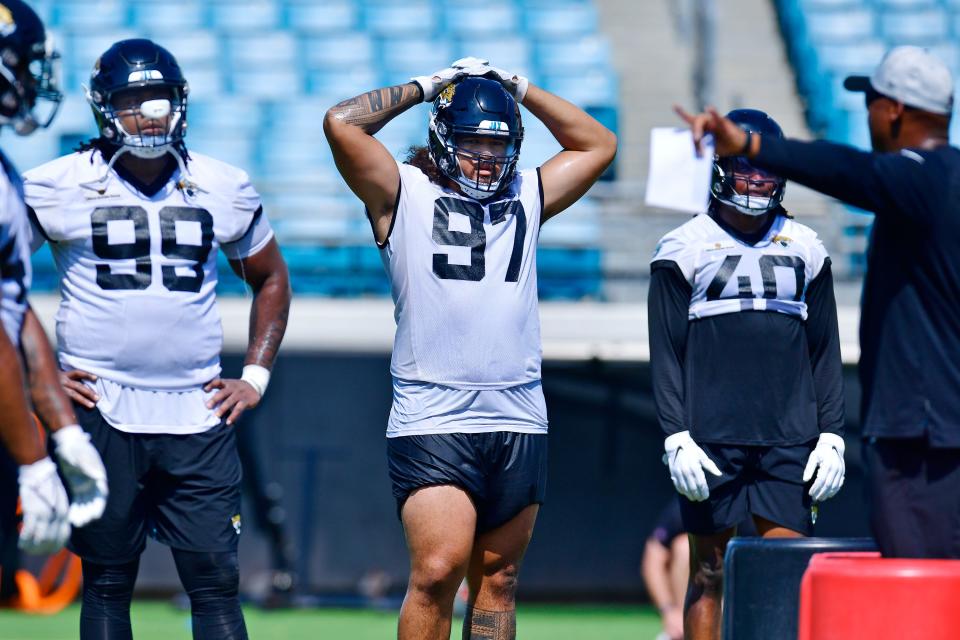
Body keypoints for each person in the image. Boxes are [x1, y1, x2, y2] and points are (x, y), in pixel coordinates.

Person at [324, 58, 616, 639]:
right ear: (442, 137)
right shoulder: (401, 192)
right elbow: (342, 123)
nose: (485, 155)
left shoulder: (526, 194)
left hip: (518, 410)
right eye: (471, 141)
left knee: (499, 581)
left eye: (497, 143)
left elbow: (598, 144)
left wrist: (519, 87)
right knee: (436, 572)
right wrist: (431, 86)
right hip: (432, 408)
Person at [23, 38, 291, 639]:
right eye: (132, 99)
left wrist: (254, 377)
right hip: (101, 406)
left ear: (180, 104)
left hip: (197, 409)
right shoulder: (56, 183)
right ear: (104, 108)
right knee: (109, 582)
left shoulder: (223, 184)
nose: (147, 113)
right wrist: (34, 373)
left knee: (216, 582)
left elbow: (271, 277)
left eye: (158, 98)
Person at [679, 47, 960, 559]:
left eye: (872, 101)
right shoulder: (945, 180)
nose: (868, 113)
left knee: (925, 586)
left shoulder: (924, 178)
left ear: (894, 110)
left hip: (924, 434)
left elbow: (849, 170)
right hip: (936, 425)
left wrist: (748, 144)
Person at [649, 109, 846, 640]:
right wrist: (675, 435)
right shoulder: (682, 245)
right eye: (745, 169)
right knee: (709, 573)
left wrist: (832, 434)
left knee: (787, 575)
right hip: (712, 436)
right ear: (719, 168)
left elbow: (825, 348)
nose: (758, 181)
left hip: (789, 437)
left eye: (766, 170)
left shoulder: (807, 246)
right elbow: (666, 351)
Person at [0, 0, 108, 581]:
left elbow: (12, 309)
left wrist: (63, 429)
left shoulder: (7, 172)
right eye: (23, 63)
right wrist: (34, 457)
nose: (34, 78)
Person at [641, 501, 758, 640]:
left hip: (744, 593)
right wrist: (669, 611)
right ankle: (684, 628)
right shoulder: (693, 502)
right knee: (684, 547)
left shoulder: (760, 503)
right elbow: (653, 558)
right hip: (704, 592)